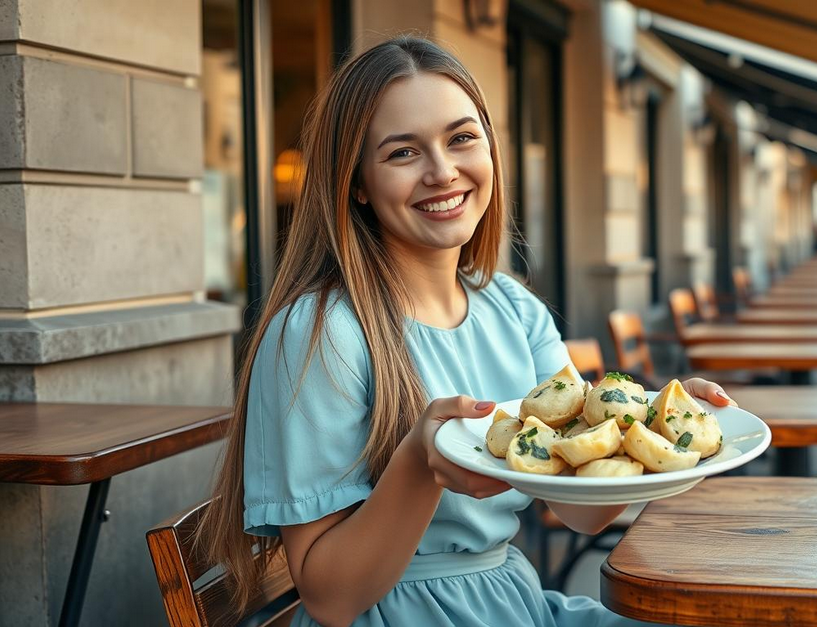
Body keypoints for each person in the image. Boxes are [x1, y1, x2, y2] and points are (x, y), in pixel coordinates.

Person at [197, 37, 733, 627]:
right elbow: (330, 598)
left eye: (461, 138)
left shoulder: (512, 306)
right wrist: (420, 465)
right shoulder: (321, 334)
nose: (443, 171)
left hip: (512, 603)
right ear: (355, 184)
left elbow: (580, 513)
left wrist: (653, 434)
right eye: (403, 153)